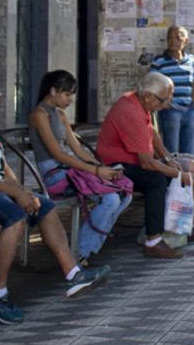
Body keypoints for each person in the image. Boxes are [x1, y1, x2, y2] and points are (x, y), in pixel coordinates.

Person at [0, 70, 110, 325]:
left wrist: (24, 190)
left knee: (46, 205)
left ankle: (73, 273)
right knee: (17, 218)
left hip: (4, 189)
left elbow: (3, 167)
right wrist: (17, 194)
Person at [96, 72, 194, 260]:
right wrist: (178, 175)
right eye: (163, 100)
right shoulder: (130, 111)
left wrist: (168, 159)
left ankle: (184, 226)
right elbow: (146, 162)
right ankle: (153, 241)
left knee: (183, 169)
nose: (166, 104)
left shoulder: (139, 102)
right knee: (156, 181)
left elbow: (151, 131)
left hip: (132, 161)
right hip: (115, 167)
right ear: (148, 96)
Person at [28, 70, 133, 266]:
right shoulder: (39, 115)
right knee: (110, 199)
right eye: (67, 94)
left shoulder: (59, 116)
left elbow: (77, 149)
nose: (70, 99)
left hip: (71, 173)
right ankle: (78, 252)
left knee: (124, 194)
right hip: (55, 176)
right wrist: (94, 171)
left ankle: (85, 246)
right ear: (52, 91)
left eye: (72, 94)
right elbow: (58, 154)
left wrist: (101, 167)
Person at [150, 26, 194, 155]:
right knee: (172, 151)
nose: (173, 41)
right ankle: (174, 175)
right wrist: (163, 104)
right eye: (170, 38)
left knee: (190, 151)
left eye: (178, 37)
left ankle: (188, 174)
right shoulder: (159, 62)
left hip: (189, 110)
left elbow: (193, 84)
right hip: (170, 110)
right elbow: (151, 86)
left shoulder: (191, 60)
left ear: (186, 41)